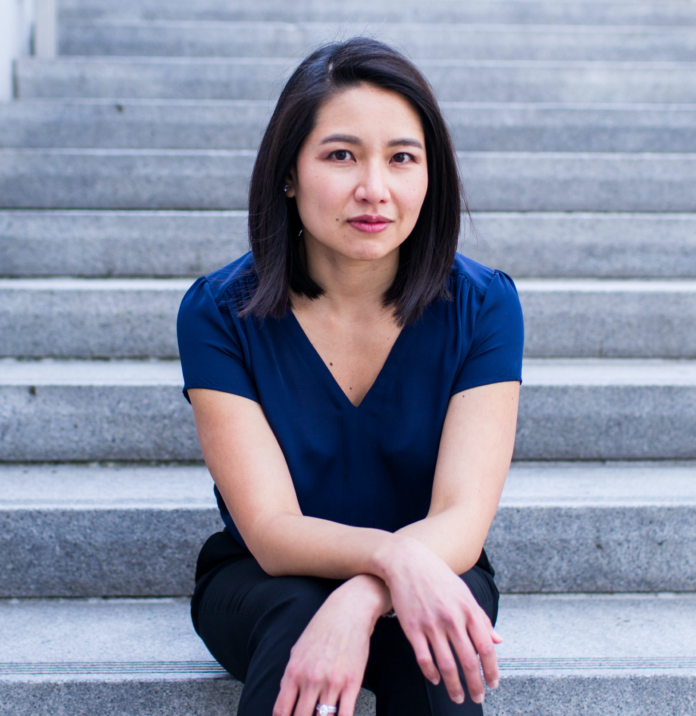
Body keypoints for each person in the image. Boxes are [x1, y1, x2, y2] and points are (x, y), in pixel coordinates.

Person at [177, 37, 523, 716]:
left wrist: (372, 587)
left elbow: (462, 517)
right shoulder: (218, 312)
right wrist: (388, 565)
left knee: (436, 652)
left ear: (431, 175)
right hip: (264, 578)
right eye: (341, 155)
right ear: (289, 173)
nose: (375, 188)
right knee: (301, 614)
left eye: (402, 158)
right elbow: (272, 529)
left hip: (438, 560)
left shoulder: (484, 305)